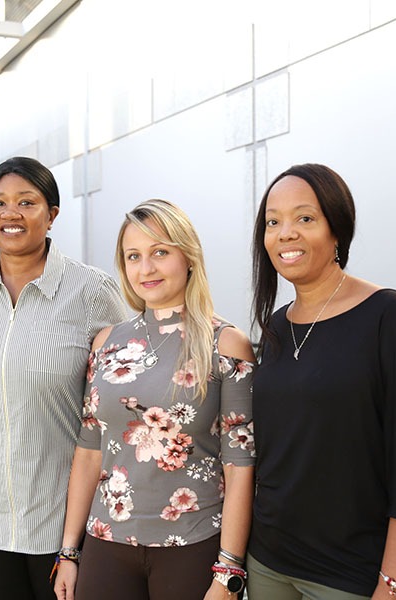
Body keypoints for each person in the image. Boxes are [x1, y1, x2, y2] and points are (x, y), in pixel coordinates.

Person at [248, 163, 396, 600]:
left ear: (337, 229)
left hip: (355, 571)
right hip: (268, 561)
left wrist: (395, 584)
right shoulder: (275, 329)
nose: (285, 233)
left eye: (305, 218)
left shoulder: (388, 316)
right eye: (273, 221)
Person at [53, 199, 257, 600]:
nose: (145, 268)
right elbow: (89, 451)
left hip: (193, 545)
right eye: (133, 256)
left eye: (160, 252)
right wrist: (70, 551)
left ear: (189, 256)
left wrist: (229, 569)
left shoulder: (226, 345)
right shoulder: (106, 343)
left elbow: (240, 466)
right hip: (106, 542)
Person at [0, 156, 127, 600]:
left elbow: (127, 386)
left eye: (26, 202)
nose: (11, 214)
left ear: (52, 214)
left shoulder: (91, 291)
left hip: (65, 523)